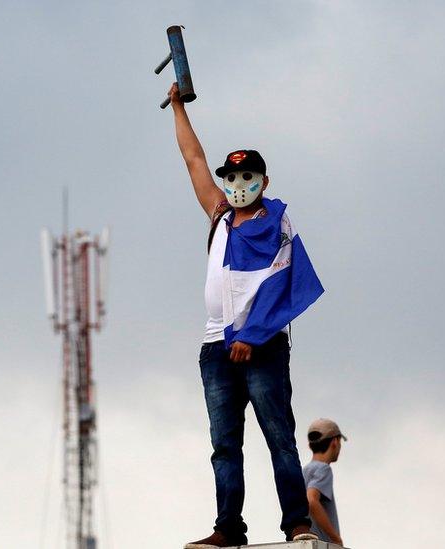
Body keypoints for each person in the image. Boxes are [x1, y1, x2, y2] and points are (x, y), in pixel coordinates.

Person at [169, 82, 326, 548]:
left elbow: (280, 282)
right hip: (216, 346)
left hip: (261, 346)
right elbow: (194, 161)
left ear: (264, 180)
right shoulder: (218, 215)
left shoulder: (275, 221)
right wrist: (177, 107)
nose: (238, 187)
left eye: (247, 178)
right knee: (224, 445)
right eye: (232, 179)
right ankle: (227, 528)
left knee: (278, 433)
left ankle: (297, 522)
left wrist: (252, 335)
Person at [303, 418, 346, 545]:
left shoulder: (304, 471)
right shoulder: (324, 469)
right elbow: (311, 499)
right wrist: (336, 539)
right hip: (322, 544)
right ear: (335, 442)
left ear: (310, 445)